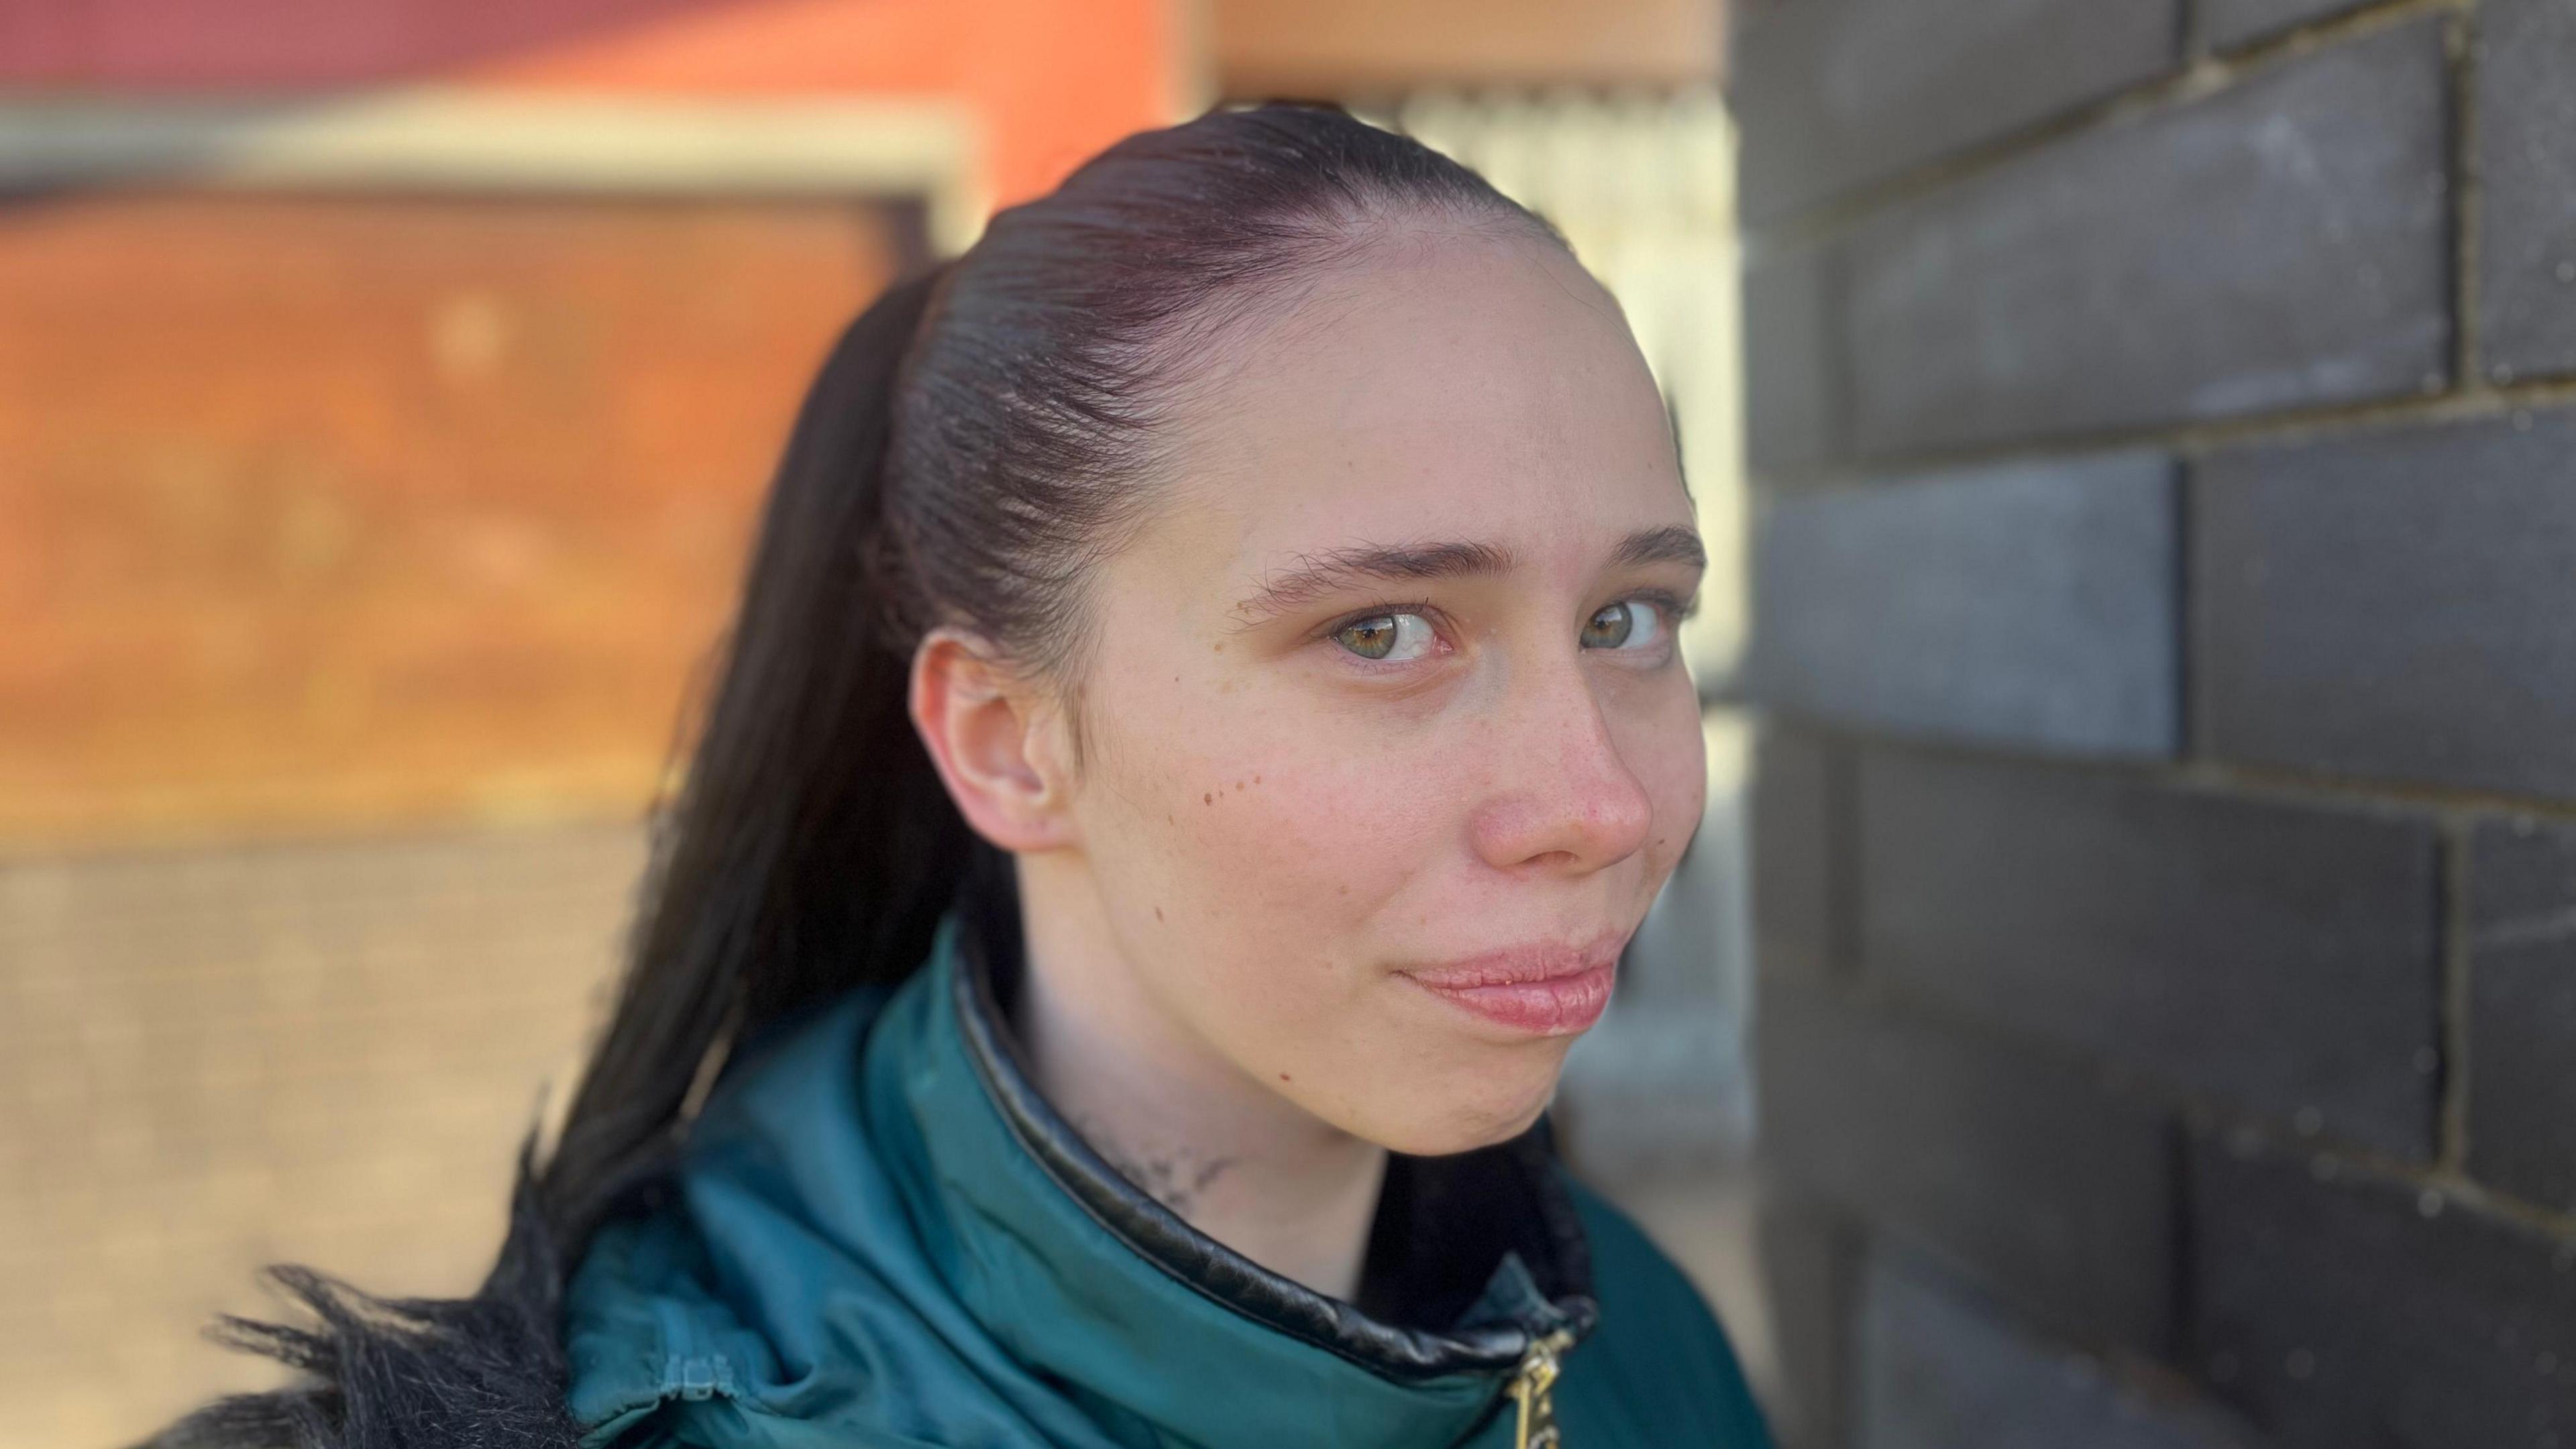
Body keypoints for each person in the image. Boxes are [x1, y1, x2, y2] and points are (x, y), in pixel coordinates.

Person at [148, 101, 1773, 1449]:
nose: (1603, 807)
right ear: (1006, 740)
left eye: (1629, 619)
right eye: (1384, 633)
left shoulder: (1640, 1346)